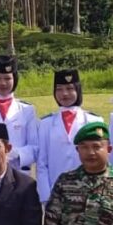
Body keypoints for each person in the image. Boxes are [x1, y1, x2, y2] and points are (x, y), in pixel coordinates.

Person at [36, 69, 103, 203]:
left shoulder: (94, 121)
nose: (64, 94)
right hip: (56, 192)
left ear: (78, 90)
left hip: (87, 192)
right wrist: (46, 196)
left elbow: (100, 161)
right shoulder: (46, 123)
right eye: (59, 89)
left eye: (69, 88)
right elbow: (42, 163)